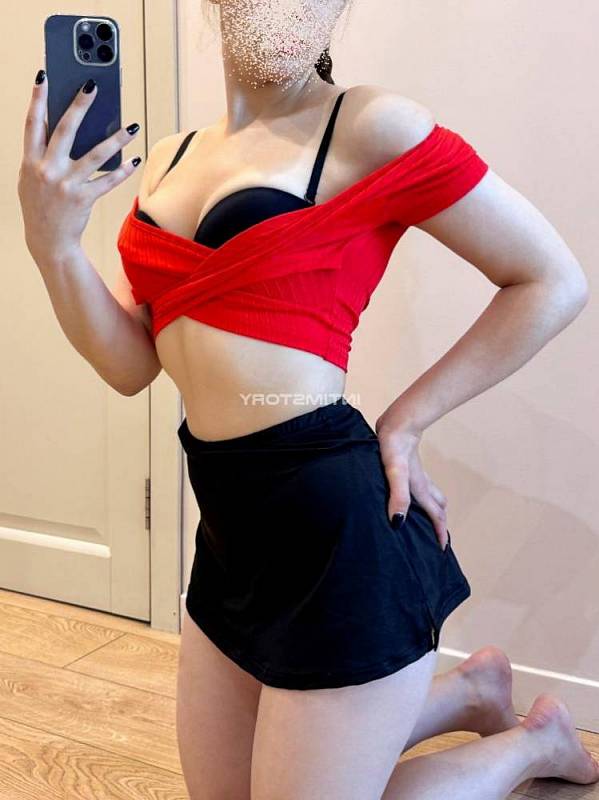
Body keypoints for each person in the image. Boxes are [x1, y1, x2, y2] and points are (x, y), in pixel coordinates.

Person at [19, 1, 598, 798]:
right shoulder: (167, 160)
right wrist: (52, 244)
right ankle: (471, 691)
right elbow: (129, 366)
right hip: (229, 532)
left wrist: (407, 420)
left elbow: (549, 281)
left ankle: (534, 743)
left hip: (337, 530)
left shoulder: (368, 126)